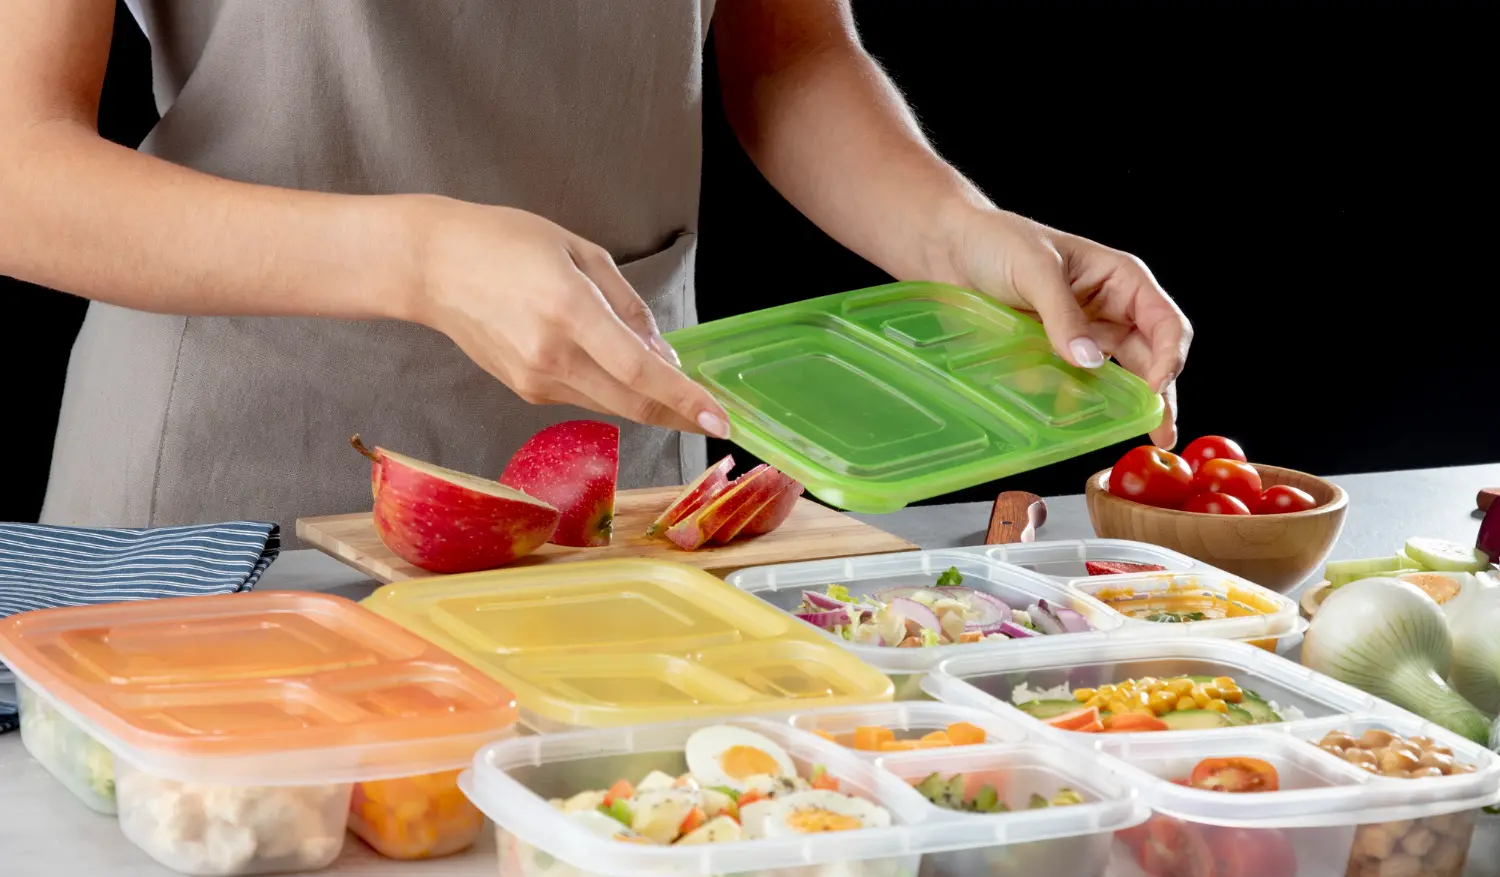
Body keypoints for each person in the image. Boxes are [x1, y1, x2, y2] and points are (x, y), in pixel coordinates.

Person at [0, 1, 1191, 535]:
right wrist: (417, 259)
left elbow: (788, 54)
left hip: (618, 493)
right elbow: (20, 166)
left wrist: (960, 236)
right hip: (226, 496)